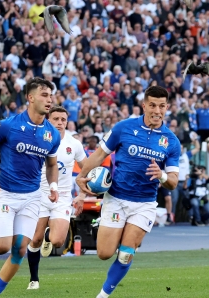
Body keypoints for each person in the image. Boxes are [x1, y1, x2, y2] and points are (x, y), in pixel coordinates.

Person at [75, 86, 180, 298]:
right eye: (152, 105)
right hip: (116, 198)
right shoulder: (123, 128)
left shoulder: (171, 141)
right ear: (144, 105)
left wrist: (161, 175)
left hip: (144, 204)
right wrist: (80, 177)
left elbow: (173, 182)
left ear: (167, 108)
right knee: (104, 253)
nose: (157, 110)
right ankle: (113, 230)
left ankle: (102, 295)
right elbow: (97, 155)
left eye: (161, 106)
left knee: (124, 253)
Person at [0, 77, 61, 298]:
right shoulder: (8, 125)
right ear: (30, 98)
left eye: (50, 95)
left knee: (20, 249)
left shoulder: (53, 134)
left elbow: (51, 165)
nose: (49, 100)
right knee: (2, 247)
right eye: (44, 95)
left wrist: (53, 185)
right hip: (5, 194)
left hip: (32, 197)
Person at [26, 106, 87, 290]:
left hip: (62, 198)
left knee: (58, 242)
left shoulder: (73, 144)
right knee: (34, 240)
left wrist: (82, 194)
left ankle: (48, 235)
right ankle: (34, 279)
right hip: (38, 197)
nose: (60, 123)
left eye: (63, 119)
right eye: (56, 119)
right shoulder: (37, 139)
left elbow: (87, 169)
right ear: (48, 120)